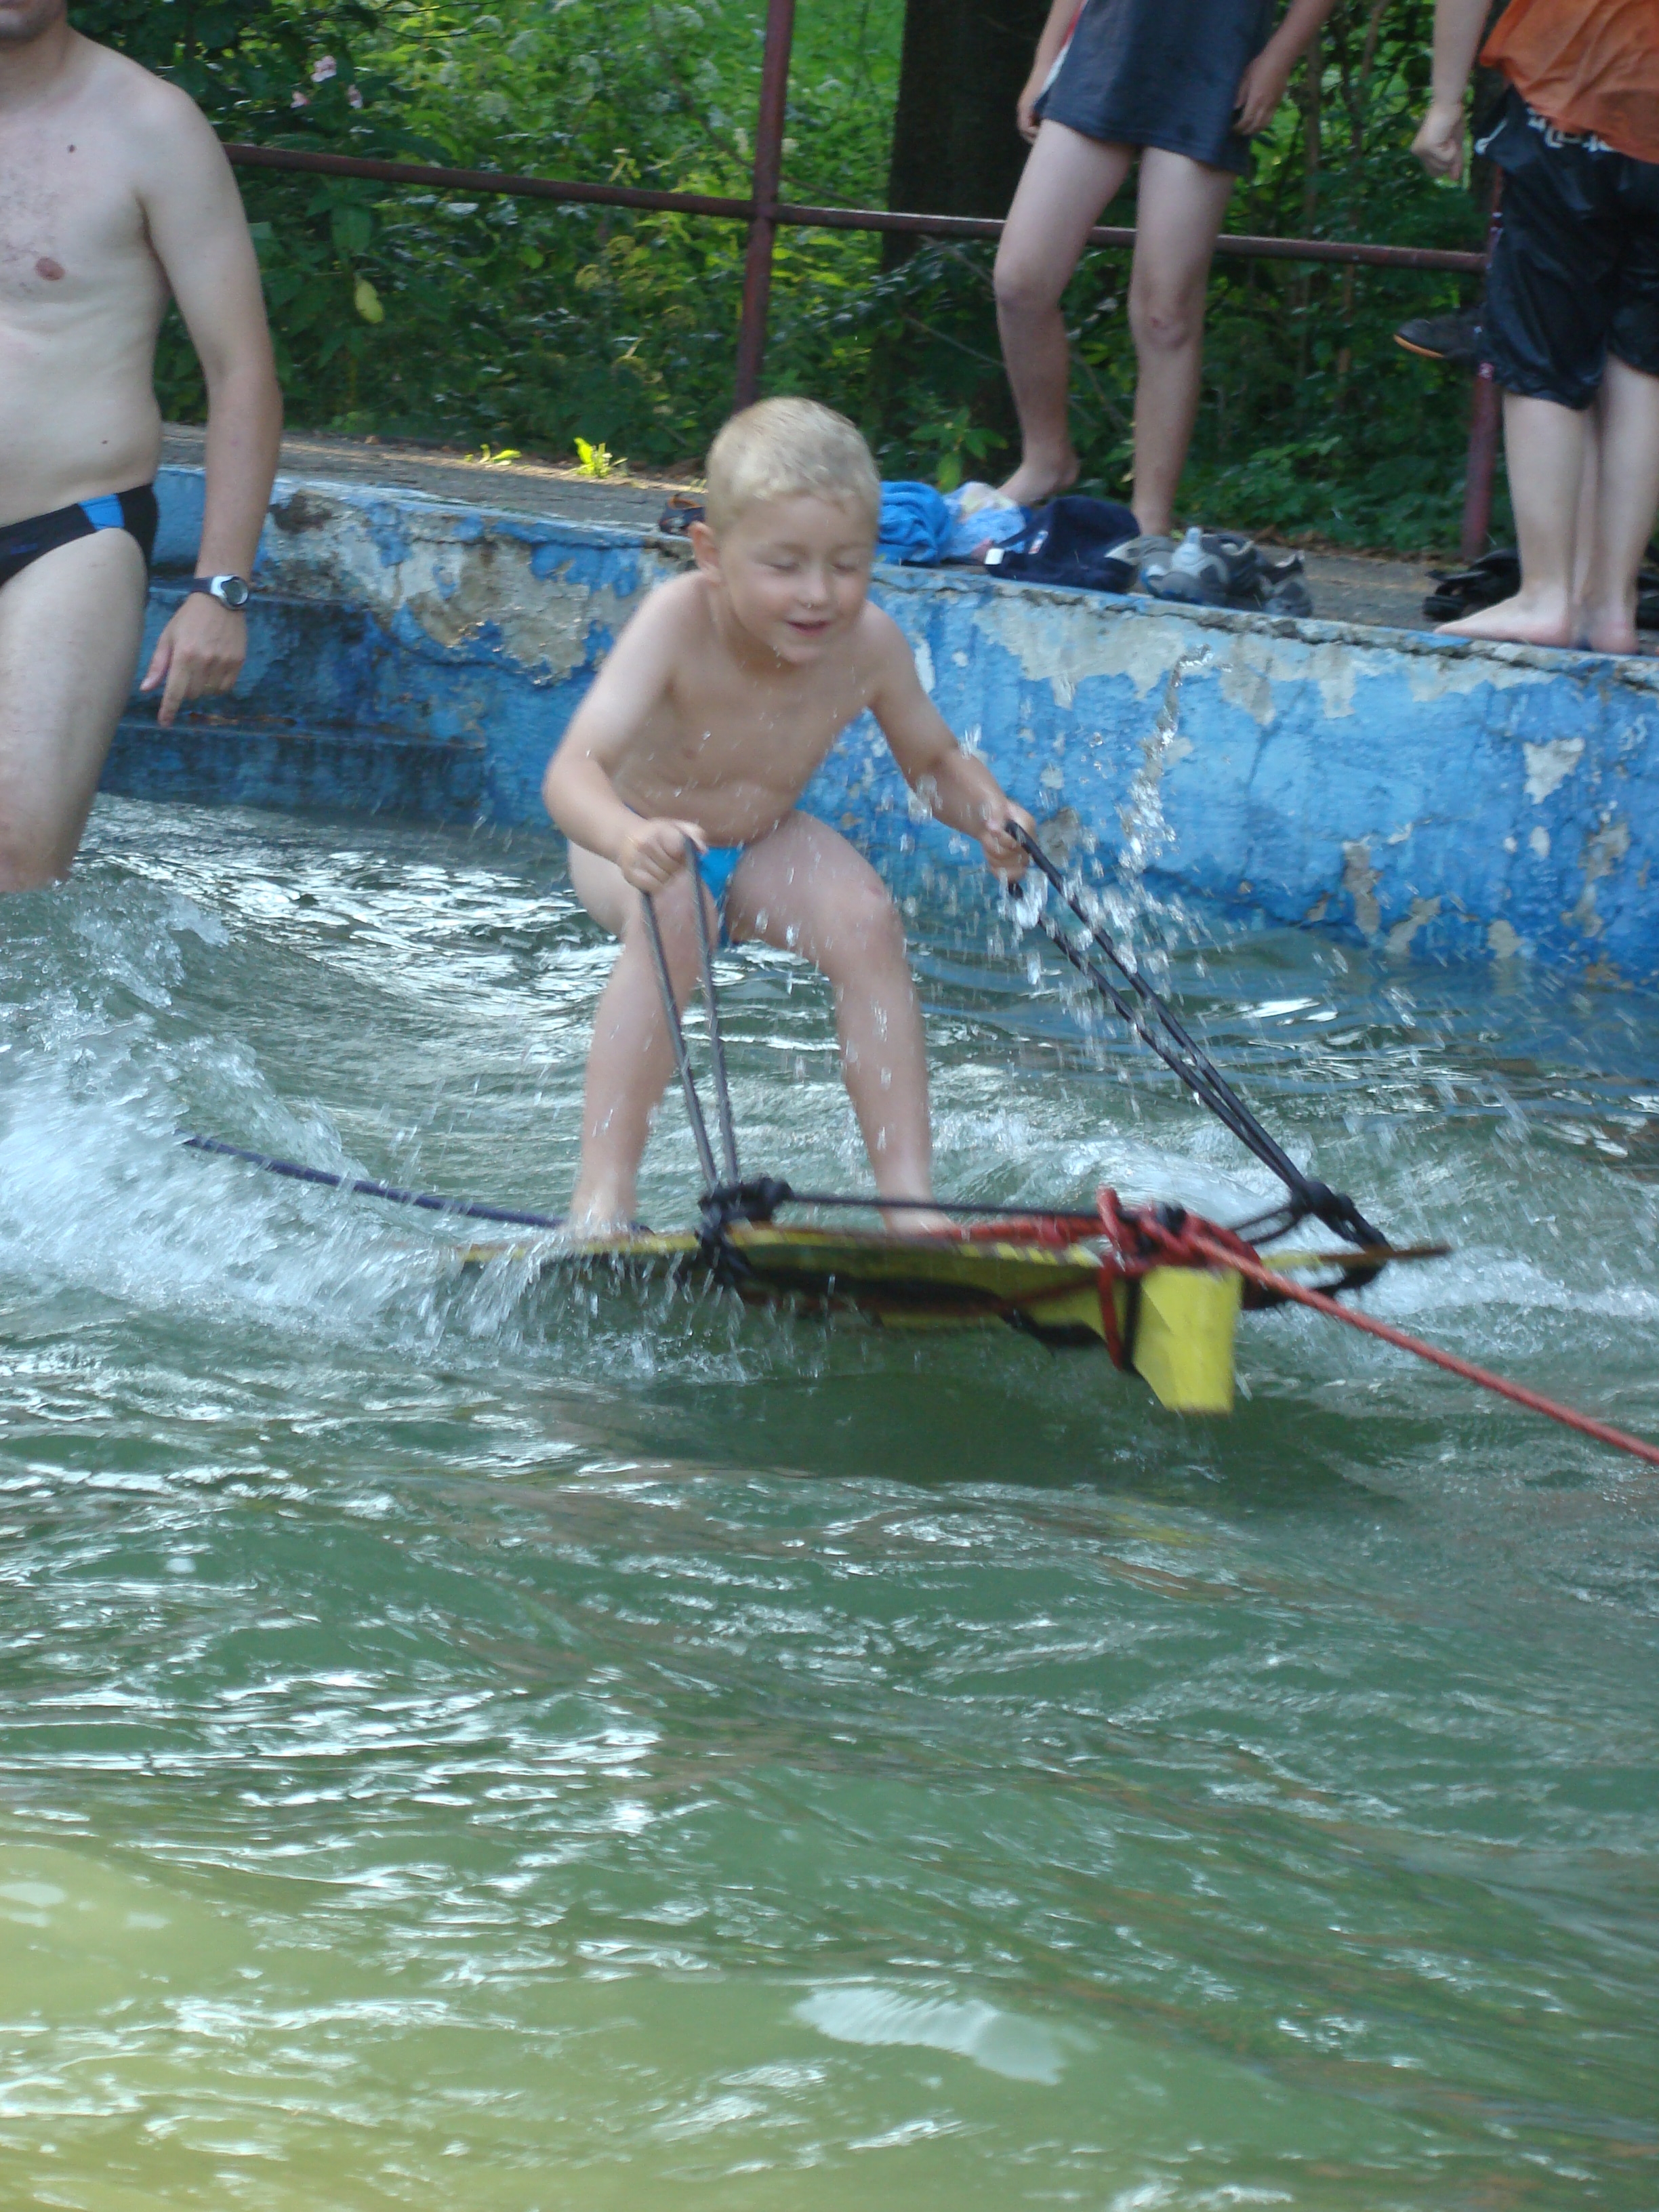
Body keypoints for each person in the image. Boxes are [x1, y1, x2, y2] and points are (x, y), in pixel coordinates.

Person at [541, 398, 1034, 1231]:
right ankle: (602, 1195)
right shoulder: (677, 622)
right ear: (712, 554)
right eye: (784, 566)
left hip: (761, 839)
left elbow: (933, 764)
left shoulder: (869, 643)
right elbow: (571, 774)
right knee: (679, 909)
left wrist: (987, 811)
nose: (818, 595)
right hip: (629, 835)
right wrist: (629, 838)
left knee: (867, 920)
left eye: (847, 565)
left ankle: (909, 1201)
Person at [0, 0, 281, 892]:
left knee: (12, 857)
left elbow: (241, 370)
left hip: (66, 534)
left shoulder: (149, 124)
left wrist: (221, 588)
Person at [994, 0, 1338, 532]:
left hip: (1213, 65)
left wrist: (1278, 57)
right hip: (1101, 51)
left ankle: (1149, 519)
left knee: (1166, 314)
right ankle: (1045, 460)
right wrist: (1044, 61)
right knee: (1020, 281)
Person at [1414, 0, 1659, 653]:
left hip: (1573, 94)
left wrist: (1444, 102)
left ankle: (1547, 596)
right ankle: (1611, 605)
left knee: (1540, 348)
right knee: (1640, 364)